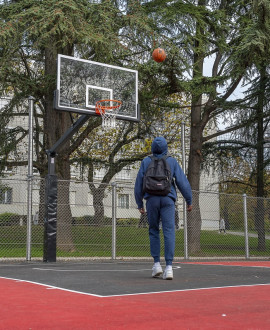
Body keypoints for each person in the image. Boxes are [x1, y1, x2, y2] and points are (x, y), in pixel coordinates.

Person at [134, 136, 192, 280]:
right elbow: (182, 182)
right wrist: (189, 200)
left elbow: (139, 183)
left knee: (153, 230)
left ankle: (156, 265)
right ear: (166, 148)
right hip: (168, 199)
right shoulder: (171, 161)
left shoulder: (146, 161)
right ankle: (169, 268)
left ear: (152, 148)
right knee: (169, 230)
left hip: (151, 200)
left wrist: (139, 203)